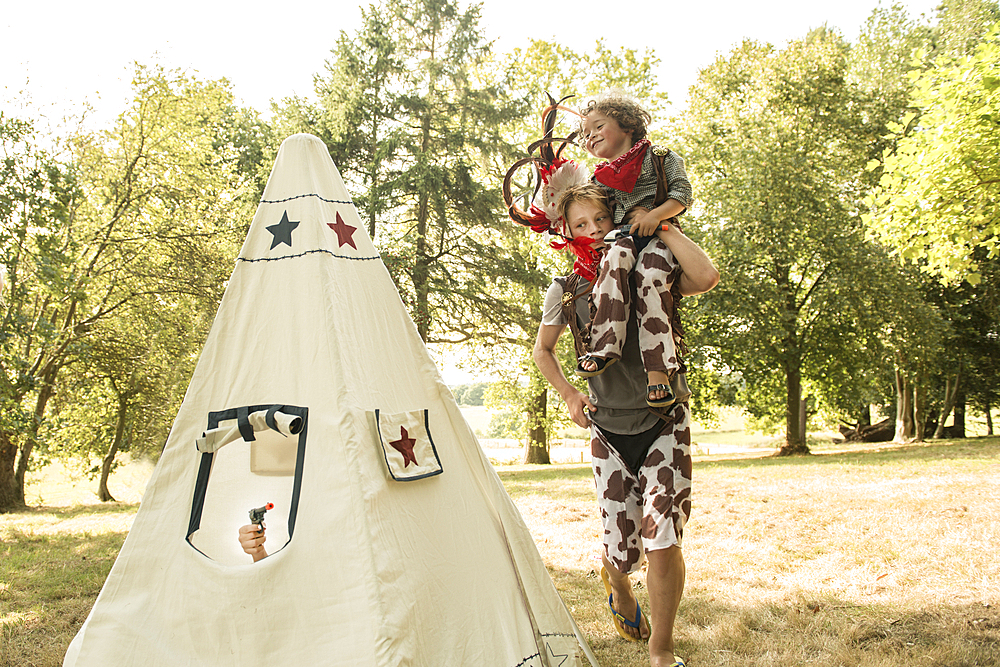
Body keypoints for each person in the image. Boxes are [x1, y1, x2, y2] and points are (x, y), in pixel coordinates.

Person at [534, 183, 718, 667]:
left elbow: (706, 275)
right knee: (624, 551)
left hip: (664, 423)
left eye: (599, 219)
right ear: (566, 230)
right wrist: (571, 395)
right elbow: (543, 351)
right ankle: (615, 581)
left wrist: (665, 223)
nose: (593, 231)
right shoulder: (565, 288)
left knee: (664, 537)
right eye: (580, 224)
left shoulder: (648, 269)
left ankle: (661, 650)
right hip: (608, 434)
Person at [575, 92, 694, 409]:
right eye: (586, 135)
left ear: (627, 125)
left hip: (660, 237)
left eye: (598, 126)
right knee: (613, 263)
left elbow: (682, 195)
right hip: (621, 238)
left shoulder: (661, 157)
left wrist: (655, 216)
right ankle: (603, 346)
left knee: (650, 278)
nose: (591, 137)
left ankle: (658, 372)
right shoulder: (599, 179)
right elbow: (586, 212)